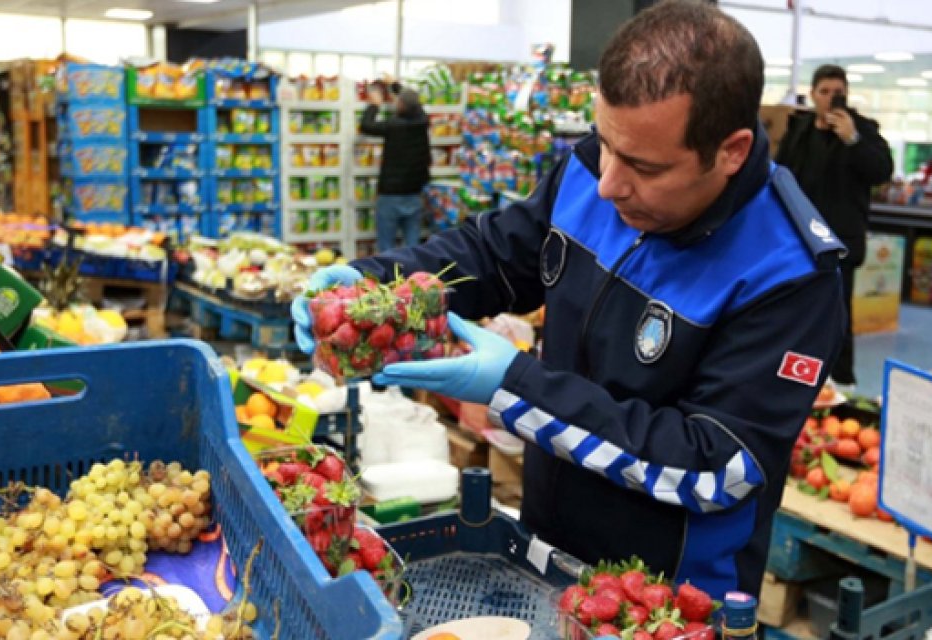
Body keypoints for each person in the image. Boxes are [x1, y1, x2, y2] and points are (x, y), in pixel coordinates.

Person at [291, 0, 846, 600]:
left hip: (663, 605)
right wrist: (367, 282)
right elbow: (493, 254)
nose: (608, 183)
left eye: (643, 166)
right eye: (605, 141)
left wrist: (517, 385)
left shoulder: (788, 274)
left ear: (731, 151)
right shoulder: (591, 169)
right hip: (546, 554)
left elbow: (715, 466)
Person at [775, 64, 893, 391]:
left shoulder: (864, 130)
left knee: (837, 313)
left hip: (841, 242)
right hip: (797, 240)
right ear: (812, 95)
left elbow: (881, 171)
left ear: (846, 95)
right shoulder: (799, 131)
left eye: (837, 93)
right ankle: (795, 380)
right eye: (824, 92)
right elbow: (779, 176)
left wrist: (852, 140)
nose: (830, 99)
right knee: (795, 311)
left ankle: (841, 382)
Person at [359, 82, 431, 251]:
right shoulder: (422, 122)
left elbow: (366, 125)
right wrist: (395, 85)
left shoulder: (394, 126)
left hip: (390, 195)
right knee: (413, 247)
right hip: (414, 194)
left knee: (386, 247)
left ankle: (388, 277)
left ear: (401, 105)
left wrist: (374, 105)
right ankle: (414, 275)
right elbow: (416, 104)